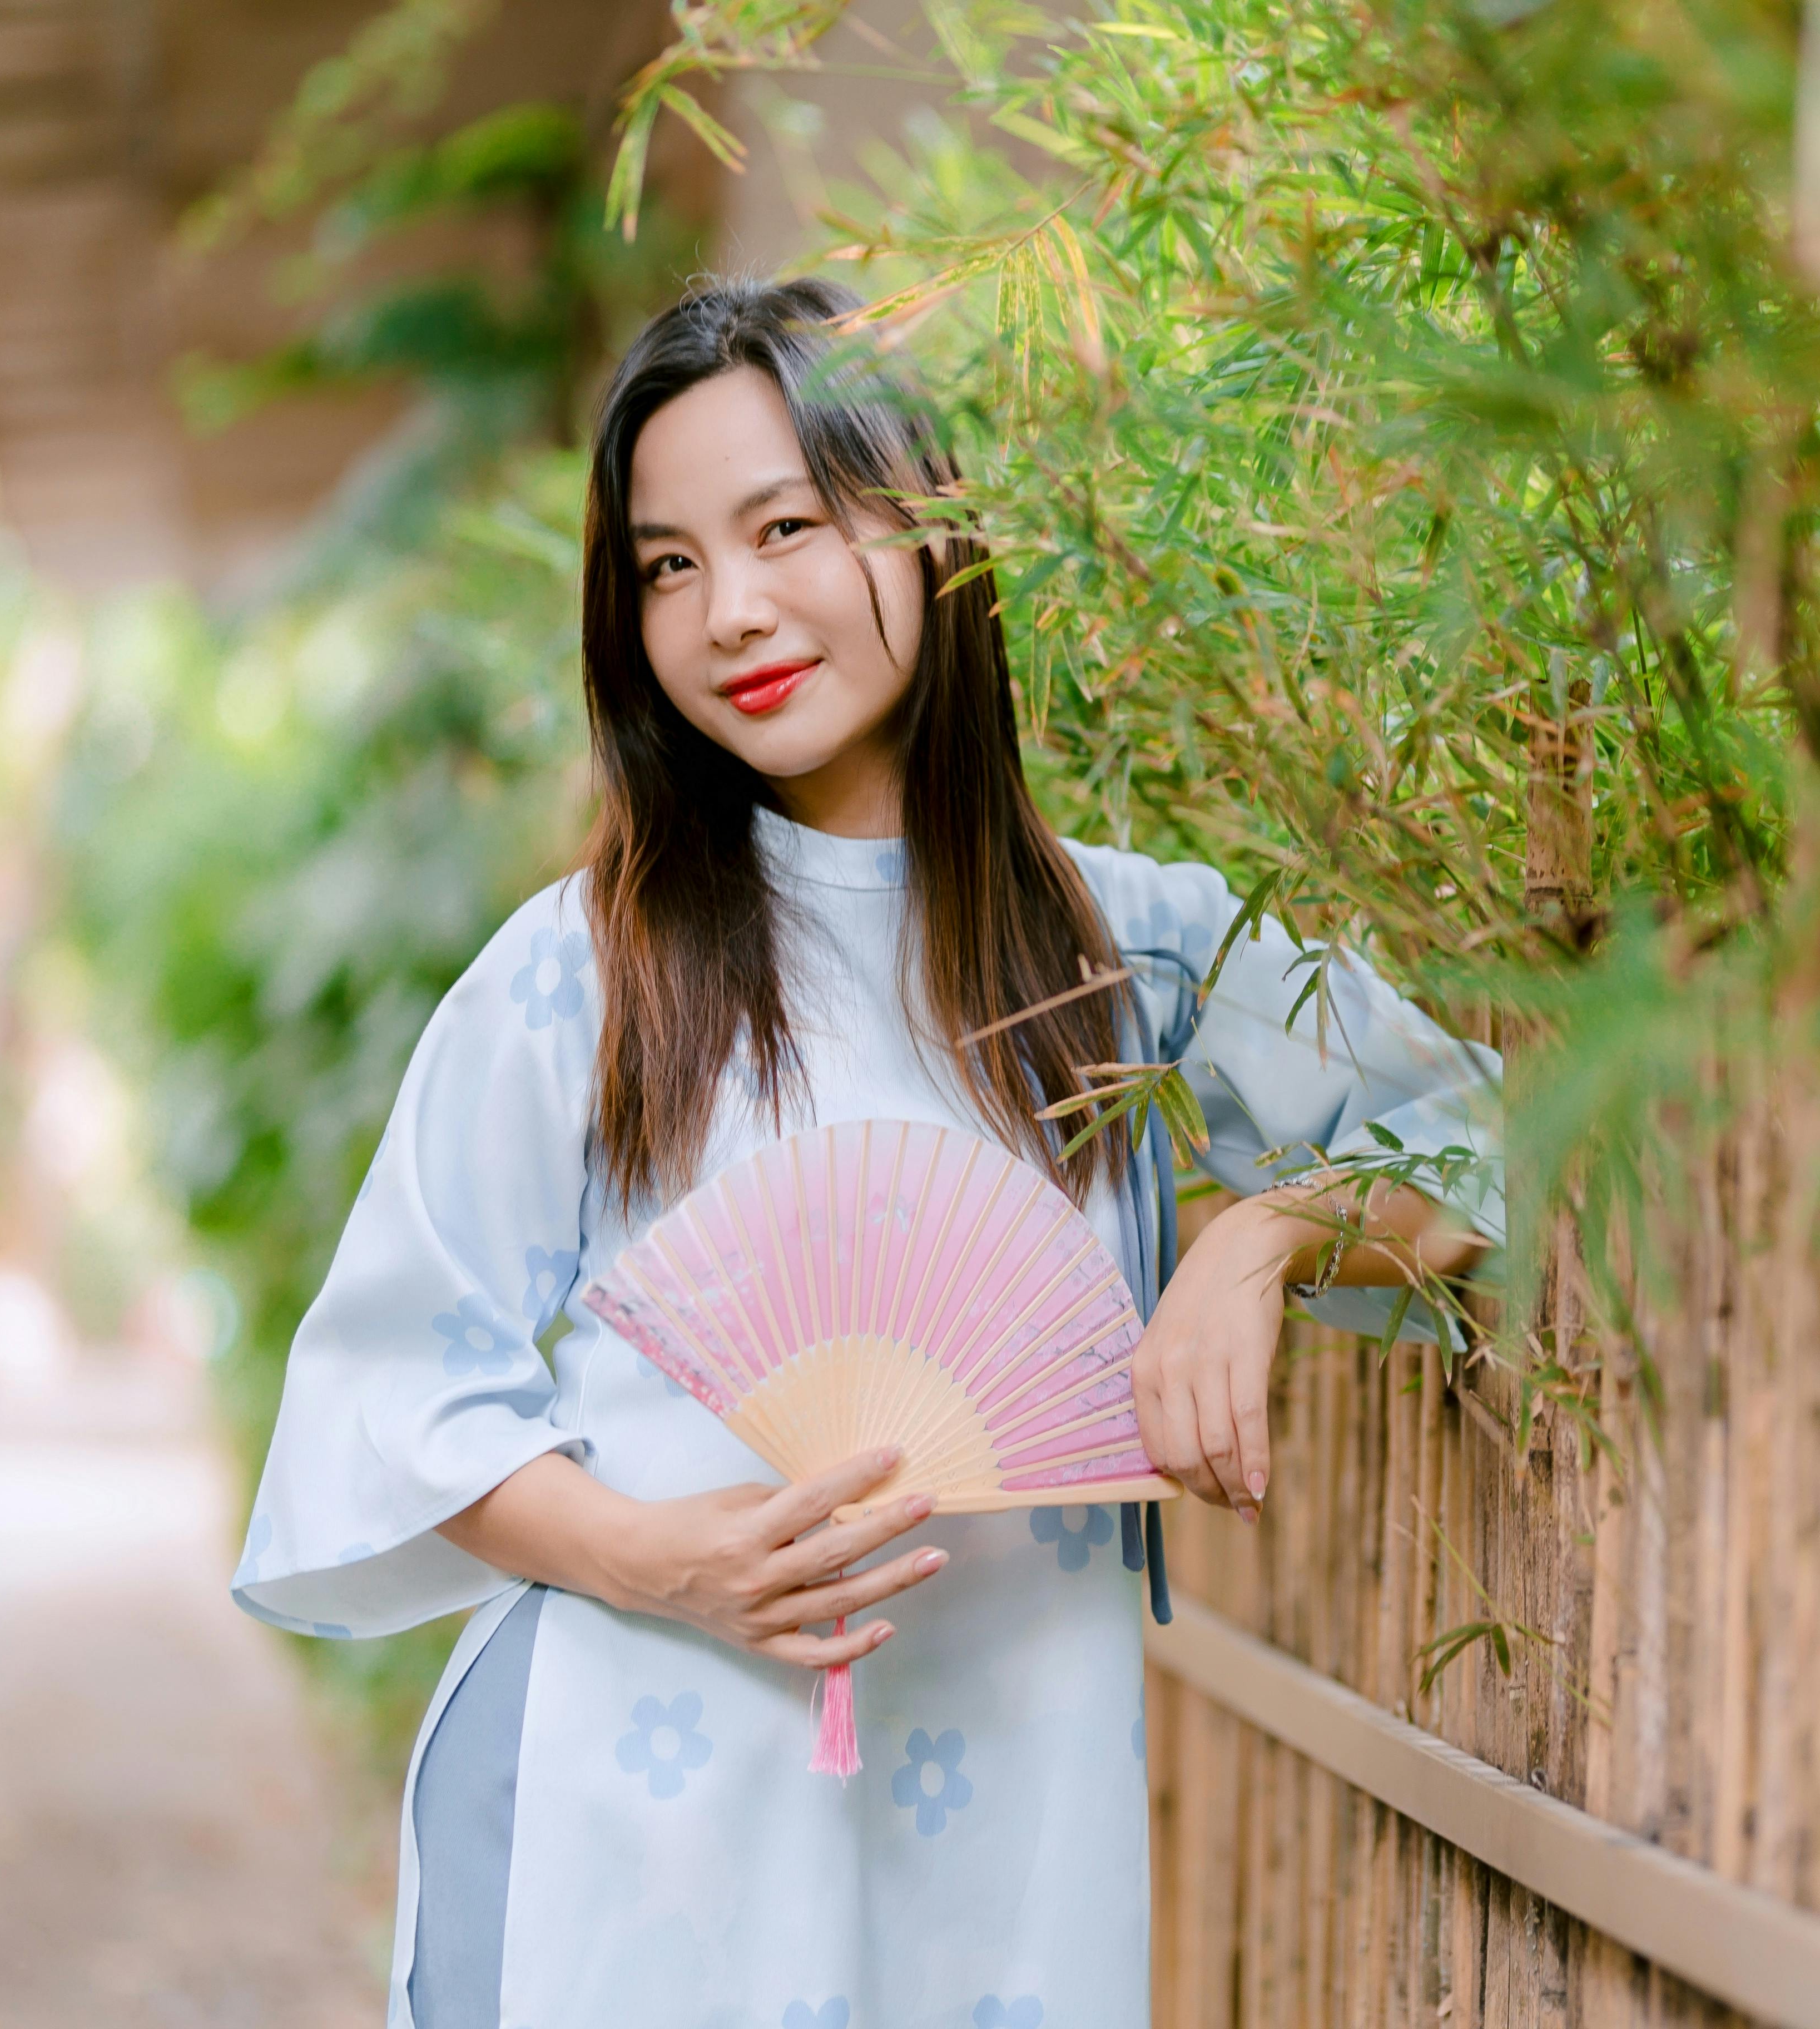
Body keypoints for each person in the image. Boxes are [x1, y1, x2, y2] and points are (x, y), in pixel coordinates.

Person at [231, 276, 1499, 2028]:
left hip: (1009, 1823)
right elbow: (389, 1398)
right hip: (631, 1817)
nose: (729, 610)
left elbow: (1472, 1147)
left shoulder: (1129, 950)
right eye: (668, 565)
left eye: (787, 527)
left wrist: (1254, 1239)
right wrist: (663, 1560)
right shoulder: (583, 971)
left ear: (931, 534)